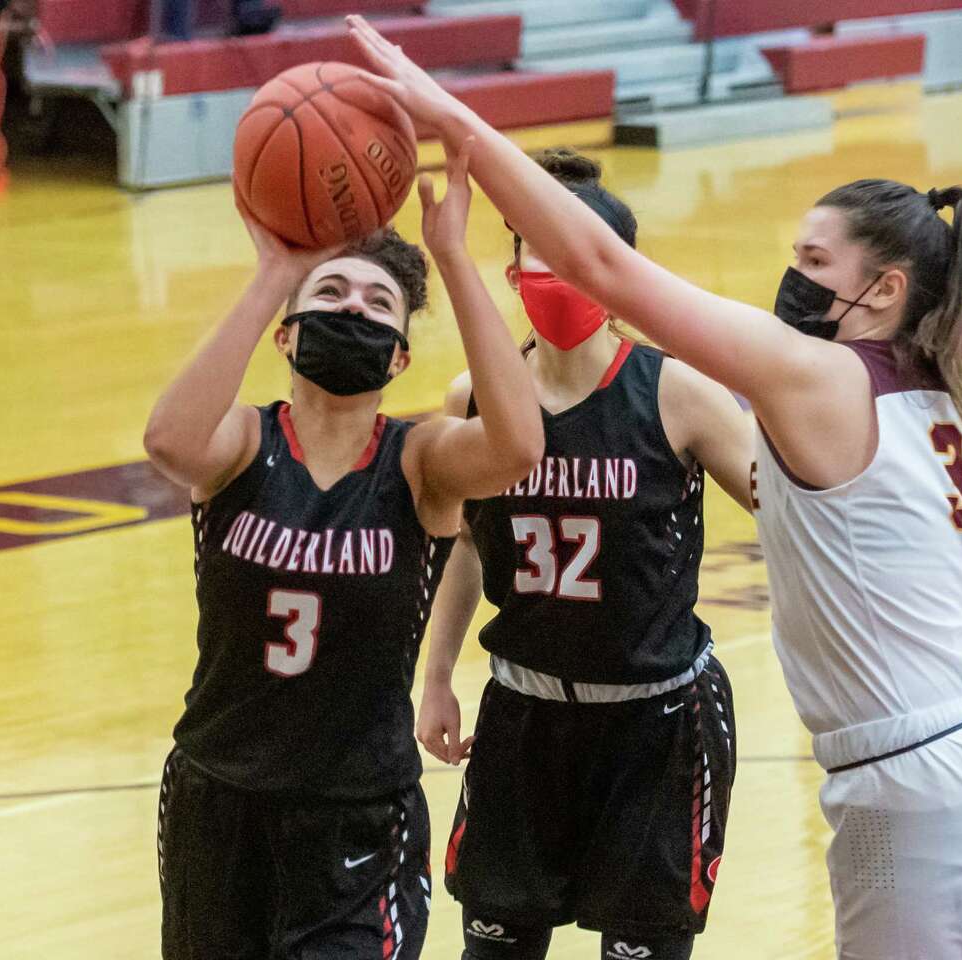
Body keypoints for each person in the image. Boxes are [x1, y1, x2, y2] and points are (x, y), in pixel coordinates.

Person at [346, 18, 962, 960]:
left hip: (911, 784)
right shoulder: (955, 394)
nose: (790, 279)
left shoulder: (813, 378)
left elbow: (605, 267)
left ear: (882, 291)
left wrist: (452, 119)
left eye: (813, 262)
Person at [143, 142, 544, 959]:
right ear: (288, 338)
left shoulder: (420, 462)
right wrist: (272, 276)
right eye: (331, 292)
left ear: (400, 356)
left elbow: (517, 447)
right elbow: (167, 441)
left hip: (357, 812)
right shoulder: (239, 444)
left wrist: (454, 257)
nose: (354, 307)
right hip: (217, 796)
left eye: (378, 301)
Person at [415, 147, 753, 960]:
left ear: (618, 272)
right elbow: (466, 545)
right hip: (523, 714)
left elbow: (799, 512)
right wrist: (434, 679)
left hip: (657, 722)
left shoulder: (681, 394)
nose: (558, 271)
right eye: (541, 251)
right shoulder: (474, 397)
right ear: (511, 268)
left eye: (579, 255)